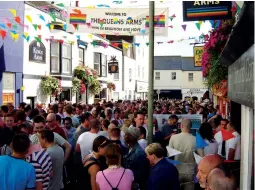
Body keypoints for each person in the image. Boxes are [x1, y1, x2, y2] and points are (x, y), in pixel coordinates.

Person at [169, 118, 196, 190]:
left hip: (177, 170)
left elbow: (170, 155)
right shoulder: (196, 139)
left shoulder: (173, 137)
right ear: (191, 127)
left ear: (181, 126)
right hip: (190, 171)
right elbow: (201, 157)